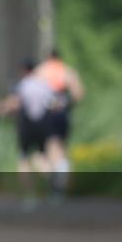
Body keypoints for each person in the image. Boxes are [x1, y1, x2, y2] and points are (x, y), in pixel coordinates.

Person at [0, 59, 54, 207]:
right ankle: (51, 182)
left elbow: (14, 103)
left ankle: (30, 195)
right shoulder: (44, 85)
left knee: (24, 160)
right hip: (42, 125)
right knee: (41, 155)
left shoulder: (22, 85)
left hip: (26, 126)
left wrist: (3, 110)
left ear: (24, 71)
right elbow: (53, 104)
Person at [35, 48, 84, 188]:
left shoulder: (41, 71)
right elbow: (79, 94)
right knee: (62, 148)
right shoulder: (67, 71)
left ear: (47, 58)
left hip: (47, 114)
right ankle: (62, 178)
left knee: (48, 149)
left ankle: (54, 181)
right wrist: (67, 105)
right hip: (63, 113)